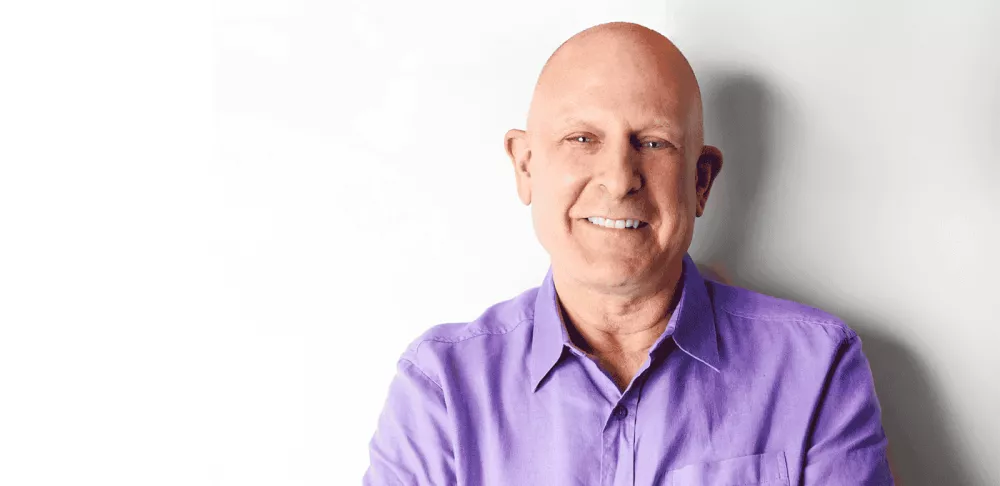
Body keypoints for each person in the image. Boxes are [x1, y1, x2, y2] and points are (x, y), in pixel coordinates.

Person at [363, 21, 894, 486]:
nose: (619, 180)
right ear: (525, 167)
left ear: (701, 179)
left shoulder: (816, 370)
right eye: (581, 138)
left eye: (654, 142)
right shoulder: (442, 391)